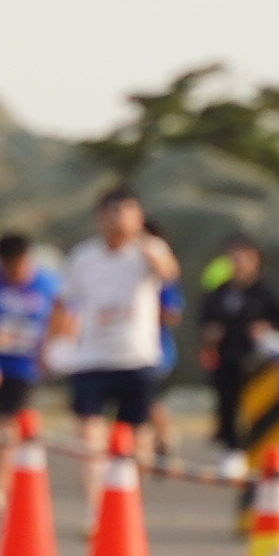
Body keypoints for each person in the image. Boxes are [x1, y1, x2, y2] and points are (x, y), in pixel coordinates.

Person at [57, 187, 178, 454]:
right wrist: (59, 343)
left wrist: (140, 239)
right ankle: (97, 482)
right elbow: (66, 303)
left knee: (135, 433)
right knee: (89, 431)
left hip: (136, 356)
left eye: (127, 211)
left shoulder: (150, 250)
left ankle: (134, 478)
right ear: (99, 217)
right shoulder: (83, 257)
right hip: (92, 356)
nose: (118, 218)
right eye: (112, 212)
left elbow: (169, 272)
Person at [0, 231, 59, 516]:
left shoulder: (47, 284)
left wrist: (51, 348)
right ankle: (4, 478)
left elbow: (64, 315)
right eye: (9, 267)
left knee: (5, 427)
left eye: (21, 265)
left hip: (23, 367)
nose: (16, 273)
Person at [195, 236, 279, 448]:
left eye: (245, 258)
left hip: (257, 361)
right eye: (234, 258)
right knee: (227, 403)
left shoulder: (266, 291)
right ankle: (230, 445)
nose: (239, 263)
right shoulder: (220, 291)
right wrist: (210, 333)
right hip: (227, 356)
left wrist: (267, 326)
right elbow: (205, 318)